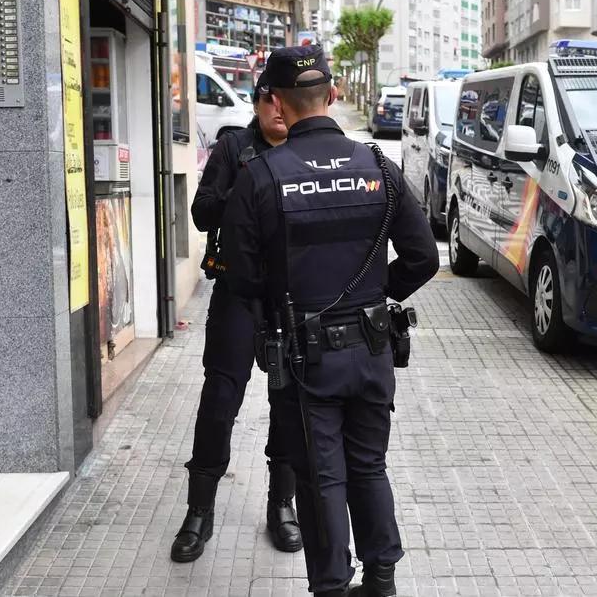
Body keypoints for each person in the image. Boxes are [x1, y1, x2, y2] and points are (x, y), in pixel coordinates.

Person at [221, 45, 439, 596]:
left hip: (305, 359)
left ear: (273, 100)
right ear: (334, 96)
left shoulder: (261, 176)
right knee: (369, 464)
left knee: (322, 478)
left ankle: (333, 587)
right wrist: (373, 296)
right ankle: (382, 580)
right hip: (371, 351)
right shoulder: (378, 168)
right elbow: (424, 258)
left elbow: (241, 278)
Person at [171, 73, 303, 563]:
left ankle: (282, 506)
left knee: (288, 403)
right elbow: (202, 212)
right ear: (260, 101)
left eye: (283, 99)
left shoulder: (305, 152)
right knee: (219, 400)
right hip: (235, 295)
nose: (276, 108)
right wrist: (248, 192)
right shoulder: (233, 149)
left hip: (289, 302)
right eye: (268, 98)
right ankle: (198, 512)